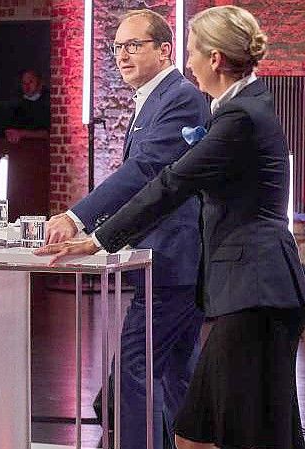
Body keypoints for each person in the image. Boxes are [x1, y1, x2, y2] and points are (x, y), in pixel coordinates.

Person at [38, 5, 305, 449]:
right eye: (117, 46)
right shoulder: (238, 107)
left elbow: (166, 182)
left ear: (215, 58)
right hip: (244, 285)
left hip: (250, 286)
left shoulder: (233, 115)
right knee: (207, 416)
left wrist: (95, 234)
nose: (189, 63)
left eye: (193, 51)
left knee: (234, 421)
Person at [42, 9, 209, 449]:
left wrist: (77, 217)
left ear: (165, 50)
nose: (122, 55)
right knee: (174, 370)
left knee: (136, 366)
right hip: (169, 261)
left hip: (175, 259)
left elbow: (145, 170)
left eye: (133, 45)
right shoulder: (154, 99)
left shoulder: (180, 97)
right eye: (117, 46)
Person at [4, 69, 51, 143]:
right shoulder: (17, 103)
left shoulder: (49, 103)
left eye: (31, 82)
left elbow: (48, 133)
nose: (27, 86)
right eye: (24, 83)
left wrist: (22, 134)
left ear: (40, 84)